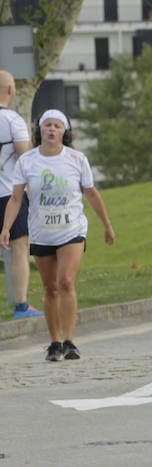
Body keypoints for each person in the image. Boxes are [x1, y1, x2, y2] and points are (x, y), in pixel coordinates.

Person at [1, 110, 114, 362]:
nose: (51, 130)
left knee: (65, 282)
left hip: (72, 229)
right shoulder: (27, 161)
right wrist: (6, 228)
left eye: (57, 126)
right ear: (39, 131)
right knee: (50, 288)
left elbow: (92, 193)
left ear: (65, 132)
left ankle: (70, 341)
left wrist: (107, 225)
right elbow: (17, 197)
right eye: (47, 125)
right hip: (42, 231)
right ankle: (54, 342)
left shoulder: (76, 158)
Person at [0, 69, 39, 319]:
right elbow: (26, 156)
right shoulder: (12, 120)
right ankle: (21, 306)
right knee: (18, 246)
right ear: (11, 90)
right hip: (7, 193)